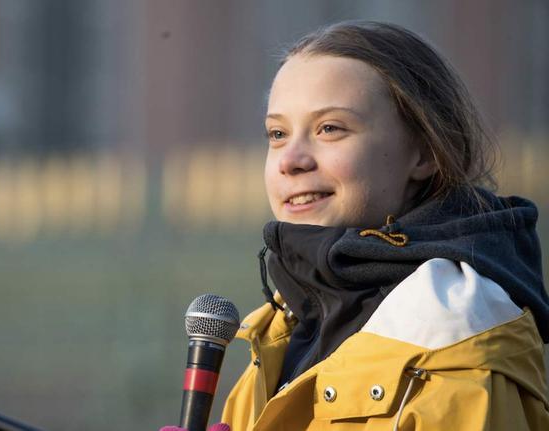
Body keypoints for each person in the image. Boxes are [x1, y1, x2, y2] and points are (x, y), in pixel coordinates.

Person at [218, 21, 549, 431]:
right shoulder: (277, 332)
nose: (291, 160)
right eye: (278, 133)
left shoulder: (457, 346)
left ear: (424, 152)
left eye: (330, 129)